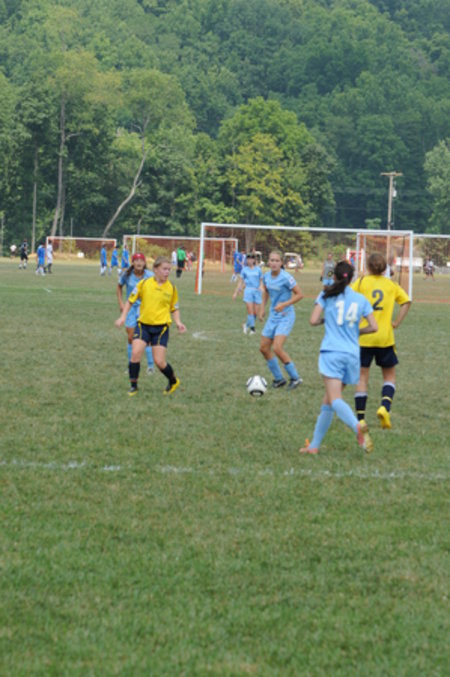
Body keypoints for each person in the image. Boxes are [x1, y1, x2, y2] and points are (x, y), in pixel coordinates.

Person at [300, 261, 378, 455]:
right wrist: (357, 331)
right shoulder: (360, 299)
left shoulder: (326, 294)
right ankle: (314, 446)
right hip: (352, 355)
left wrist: (326, 320)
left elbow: (312, 320)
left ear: (333, 276)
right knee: (328, 401)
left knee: (334, 399)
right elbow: (374, 327)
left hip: (332, 353)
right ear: (351, 278)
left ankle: (357, 426)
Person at [352, 252, 411, 430]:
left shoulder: (360, 283)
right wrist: (397, 322)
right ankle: (385, 407)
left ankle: (361, 419)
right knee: (389, 376)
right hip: (385, 338)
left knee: (362, 377)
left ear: (367, 267)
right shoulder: (391, 285)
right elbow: (407, 302)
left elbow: (348, 300)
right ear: (385, 268)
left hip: (364, 337)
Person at [115, 256, 187, 396]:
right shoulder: (144, 284)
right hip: (143, 325)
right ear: (155, 269)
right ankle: (133, 387)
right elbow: (130, 301)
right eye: (164, 269)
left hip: (161, 328)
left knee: (159, 362)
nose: (167, 272)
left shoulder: (171, 288)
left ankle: (173, 381)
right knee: (135, 354)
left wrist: (178, 322)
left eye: (169, 270)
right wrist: (123, 317)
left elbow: (174, 308)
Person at [258, 250, 304, 390]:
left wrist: (284, 304)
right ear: (268, 262)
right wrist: (262, 308)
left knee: (277, 348)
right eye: (271, 260)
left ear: (281, 263)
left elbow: (300, 294)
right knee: (264, 348)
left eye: (277, 260)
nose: (274, 263)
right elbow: (266, 292)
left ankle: (295, 378)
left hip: (286, 315)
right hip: (273, 316)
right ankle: (279, 379)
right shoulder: (266, 276)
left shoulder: (286, 277)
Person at [117, 252, 155, 375]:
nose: (139, 263)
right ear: (132, 263)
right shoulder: (127, 275)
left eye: (141, 260)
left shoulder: (150, 276)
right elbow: (119, 287)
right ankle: (131, 366)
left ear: (144, 263)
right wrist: (121, 303)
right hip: (131, 309)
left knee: (146, 338)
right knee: (131, 337)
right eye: (136, 260)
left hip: (145, 309)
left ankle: (150, 366)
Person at [232, 252, 263, 335]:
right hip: (248, 291)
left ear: (254, 260)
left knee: (255, 312)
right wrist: (236, 292)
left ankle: (246, 325)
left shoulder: (258, 270)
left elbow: (261, 280)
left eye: (251, 259)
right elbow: (240, 282)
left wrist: (261, 286)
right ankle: (253, 329)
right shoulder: (244, 270)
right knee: (250, 311)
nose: (249, 261)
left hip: (257, 291)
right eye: (248, 259)